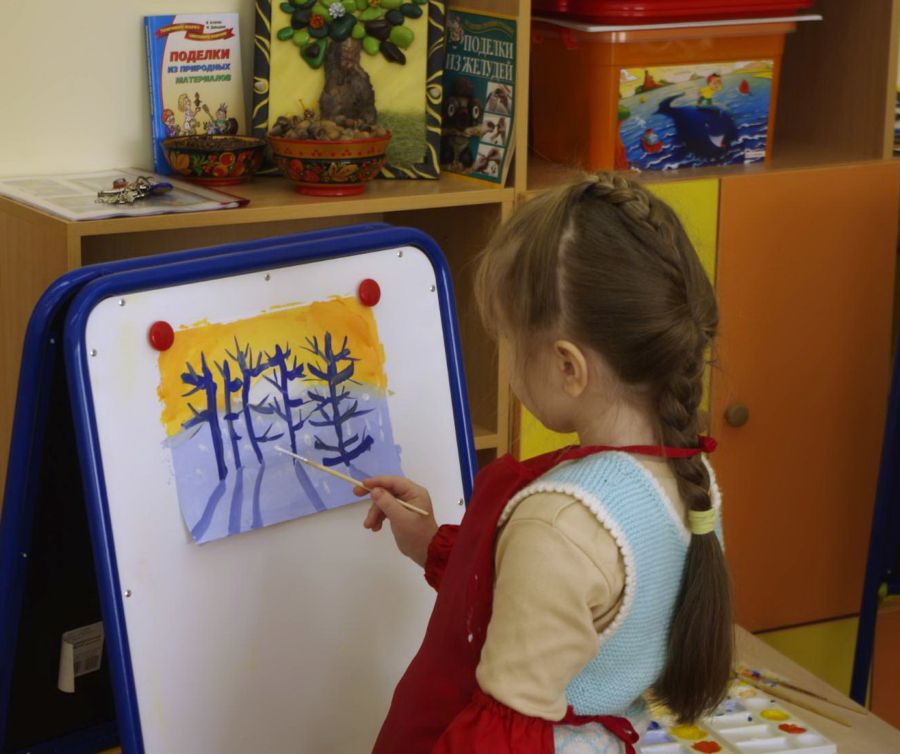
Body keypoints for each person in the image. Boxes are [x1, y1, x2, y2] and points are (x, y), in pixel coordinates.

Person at [358, 172, 733, 753]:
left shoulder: (558, 524)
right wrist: (433, 544)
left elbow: (498, 740)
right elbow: (557, 612)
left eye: (509, 339)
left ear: (567, 367)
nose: (506, 358)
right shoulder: (690, 475)